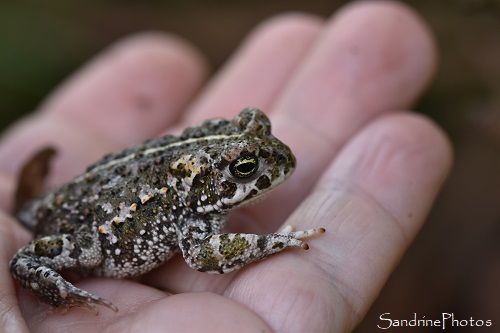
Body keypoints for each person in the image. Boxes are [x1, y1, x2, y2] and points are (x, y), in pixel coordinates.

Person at [0, 1, 452, 332]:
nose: (266, 163)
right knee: (46, 254)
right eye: (247, 167)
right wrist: (274, 242)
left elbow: (200, 248)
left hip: (121, 186)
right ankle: (46, 258)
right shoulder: (194, 203)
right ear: (212, 183)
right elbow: (203, 254)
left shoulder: (202, 194)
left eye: (258, 137)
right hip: (92, 225)